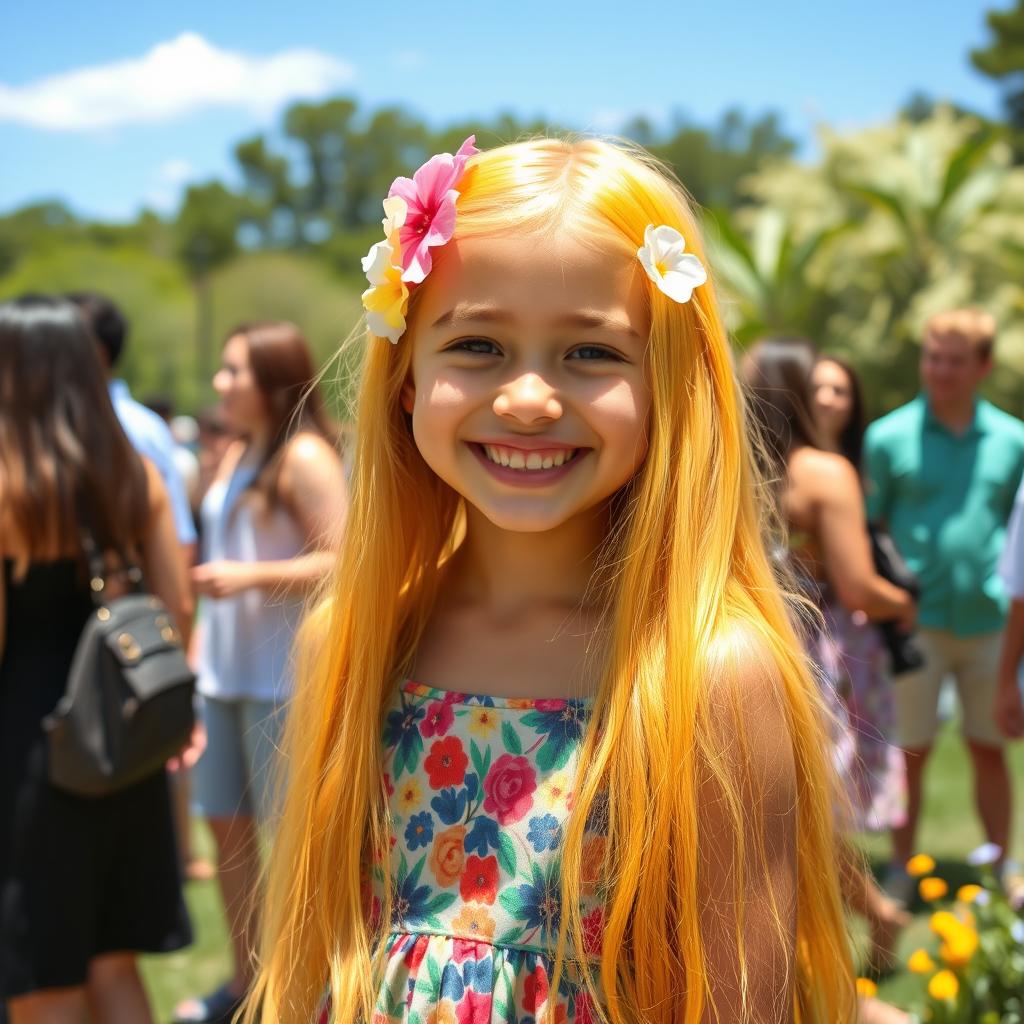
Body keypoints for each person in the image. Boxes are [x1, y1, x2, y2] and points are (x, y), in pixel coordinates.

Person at [242, 137, 856, 1024]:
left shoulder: (711, 675)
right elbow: (311, 968)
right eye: (479, 344)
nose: (528, 397)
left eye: (592, 354)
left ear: (671, 384)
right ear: (406, 377)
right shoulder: (353, 640)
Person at [0, 295, 194, 1023]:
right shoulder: (137, 473)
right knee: (114, 964)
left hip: (31, 747)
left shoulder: (9, 483)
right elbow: (173, 609)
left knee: (41, 975)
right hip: (125, 734)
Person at [173, 323, 347, 1024]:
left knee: (297, 849)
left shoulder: (304, 455)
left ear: (273, 378)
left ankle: (314, 994)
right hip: (224, 678)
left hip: (286, 682)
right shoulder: (241, 451)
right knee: (229, 835)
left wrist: (252, 576)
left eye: (233, 371)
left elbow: (346, 559)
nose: (220, 384)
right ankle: (249, 987)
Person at [742, 338, 914, 987]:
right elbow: (859, 584)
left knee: (780, 810)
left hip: (745, 639)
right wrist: (907, 604)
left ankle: (835, 934)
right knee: (793, 812)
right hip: (804, 649)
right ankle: (862, 919)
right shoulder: (823, 471)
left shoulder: (735, 464)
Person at [863, 309, 1024, 897]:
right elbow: (871, 529)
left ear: (983, 366)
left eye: (955, 360)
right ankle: (905, 867)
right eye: (933, 356)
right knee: (911, 751)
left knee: (989, 745)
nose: (940, 370)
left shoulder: (1014, 440)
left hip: (992, 624)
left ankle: (1005, 867)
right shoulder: (887, 437)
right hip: (915, 627)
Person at [809, 354, 908, 835]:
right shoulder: (809, 467)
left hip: (855, 637)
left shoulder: (856, 467)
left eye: (839, 390)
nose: (827, 398)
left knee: (854, 743)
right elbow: (855, 583)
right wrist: (903, 603)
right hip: (815, 628)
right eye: (818, 387)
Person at [68, 292, 198, 567]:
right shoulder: (145, 425)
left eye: (64, 342)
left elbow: (178, 538)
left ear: (97, 352)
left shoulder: (135, 427)